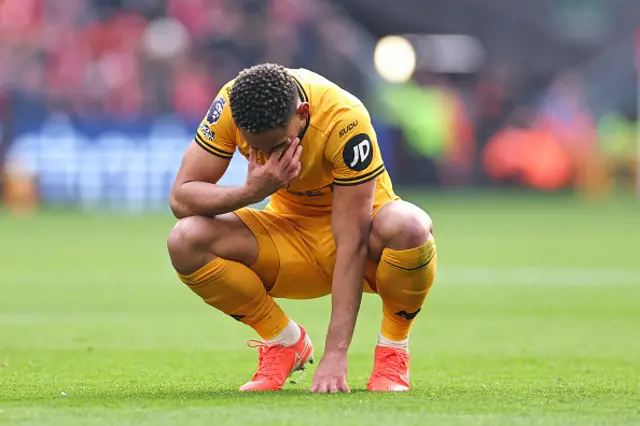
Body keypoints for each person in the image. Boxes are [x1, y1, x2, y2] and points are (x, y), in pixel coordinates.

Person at [167, 63, 437, 393]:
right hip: (290, 237)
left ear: (303, 113)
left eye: (277, 145)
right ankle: (283, 341)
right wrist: (250, 193)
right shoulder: (231, 104)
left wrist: (336, 353)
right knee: (185, 239)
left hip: (364, 245)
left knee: (409, 226)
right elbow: (181, 197)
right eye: (256, 148)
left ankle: (392, 351)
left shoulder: (344, 118)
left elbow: (351, 241)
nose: (266, 156)